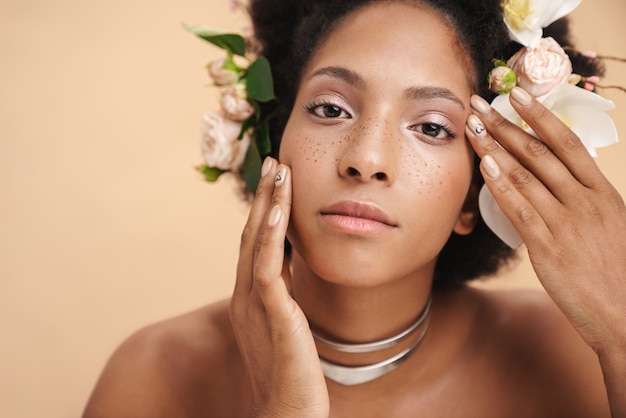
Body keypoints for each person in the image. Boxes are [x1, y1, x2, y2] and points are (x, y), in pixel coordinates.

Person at [83, 0, 626, 416]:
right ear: (275, 139)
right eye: (330, 109)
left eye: (432, 127)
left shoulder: (568, 354)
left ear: (478, 194)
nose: (365, 159)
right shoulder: (156, 374)